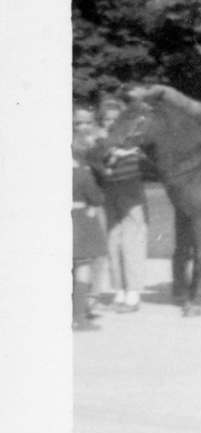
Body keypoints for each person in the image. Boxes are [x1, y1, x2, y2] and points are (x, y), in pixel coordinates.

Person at [92, 93, 148, 313]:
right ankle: (120, 291)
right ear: (101, 121)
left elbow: (148, 160)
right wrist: (114, 153)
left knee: (132, 240)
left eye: (117, 119)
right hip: (108, 192)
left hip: (131, 189)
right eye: (107, 119)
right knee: (113, 242)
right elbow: (96, 160)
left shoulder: (133, 138)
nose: (112, 123)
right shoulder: (99, 140)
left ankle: (133, 293)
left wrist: (132, 150)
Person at [72, 113, 107, 332]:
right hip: (81, 220)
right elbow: (96, 197)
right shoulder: (82, 172)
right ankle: (79, 317)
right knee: (83, 268)